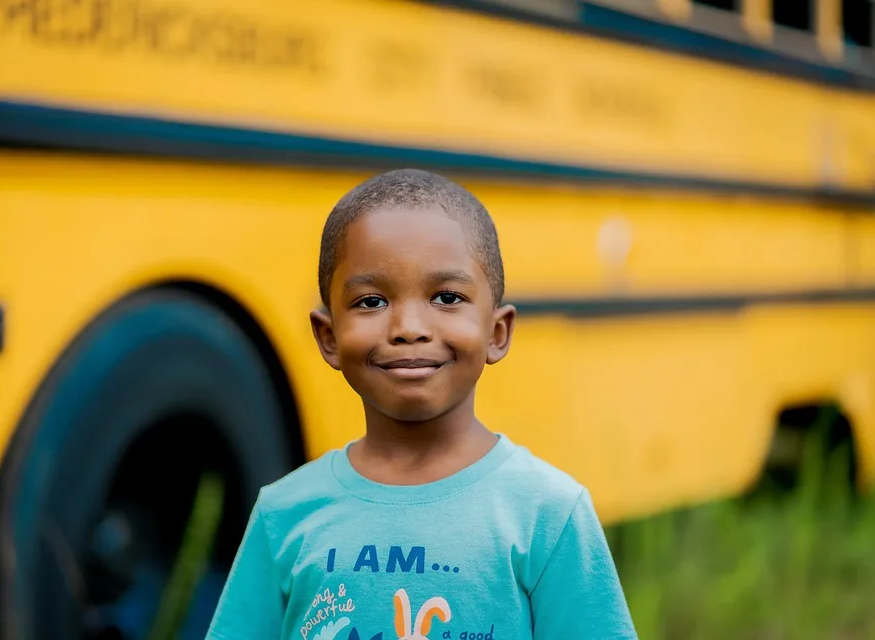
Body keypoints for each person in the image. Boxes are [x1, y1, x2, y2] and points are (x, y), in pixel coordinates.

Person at [205, 169, 637, 640]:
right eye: (370, 302)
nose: (409, 326)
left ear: (497, 332)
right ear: (328, 337)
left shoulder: (548, 516)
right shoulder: (283, 515)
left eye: (446, 297)